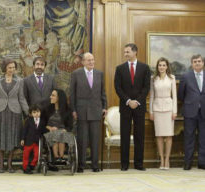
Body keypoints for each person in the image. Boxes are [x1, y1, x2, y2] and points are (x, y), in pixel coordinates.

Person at [114, 43, 150, 171]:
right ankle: (124, 164)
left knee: (139, 136)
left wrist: (137, 101)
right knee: (125, 135)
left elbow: (146, 88)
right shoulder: (120, 68)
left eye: (127, 52)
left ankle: (139, 164)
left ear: (135, 52)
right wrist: (129, 101)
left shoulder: (145, 68)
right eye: (125, 52)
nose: (125, 54)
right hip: (125, 106)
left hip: (139, 107)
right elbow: (117, 88)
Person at [70, 52, 107, 173]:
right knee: (82, 139)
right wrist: (73, 109)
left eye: (92, 60)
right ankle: (81, 165)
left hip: (96, 110)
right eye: (89, 60)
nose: (91, 62)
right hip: (81, 111)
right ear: (83, 62)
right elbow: (72, 94)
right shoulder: (76, 74)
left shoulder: (99, 74)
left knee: (95, 139)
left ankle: (95, 165)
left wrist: (104, 107)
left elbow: (103, 93)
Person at [0, 58, 29, 173]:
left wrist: (28, 112)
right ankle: (1, 165)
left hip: (15, 112)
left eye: (13, 67)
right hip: (0, 112)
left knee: (13, 137)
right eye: (10, 67)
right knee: (1, 137)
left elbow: (21, 98)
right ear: (5, 68)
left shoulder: (20, 80)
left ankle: (10, 165)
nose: (12, 70)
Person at [149, 57, 177, 170]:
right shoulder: (153, 78)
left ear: (167, 66)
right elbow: (151, 96)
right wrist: (151, 111)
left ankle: (167, 160)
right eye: (160, 65)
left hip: (169, 109)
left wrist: (174, 111)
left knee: (169, 135)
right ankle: (161, 159)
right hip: (157, 109)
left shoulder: (172, 78)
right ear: (157, 67)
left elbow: (174, 96)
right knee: (159, 135)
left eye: (163, 65)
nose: (161, 67)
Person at [178, 54, 205, 170]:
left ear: (203, 63)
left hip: (204, 111)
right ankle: (187, 163)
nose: (197, 63)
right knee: (189, 138)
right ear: (192, 64)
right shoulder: (186, 76)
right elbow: (181, 94)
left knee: (203, 138)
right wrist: (190, 102)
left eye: (199, 61)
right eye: (195, 61)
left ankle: (202, 162)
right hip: (190, 112)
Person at [44, 89, 74, 164]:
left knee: (61, 134)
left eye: (53, 95)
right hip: (50, 132)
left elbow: (70, 125)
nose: (50, 97)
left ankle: (61, 157)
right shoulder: (47, 109)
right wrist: (50, 128)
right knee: (55, 134)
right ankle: (56, 157)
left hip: (63, 132)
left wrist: (65, 129)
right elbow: (42, 124)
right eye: (51, 95)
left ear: (59, 98)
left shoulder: (67, 110)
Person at [21, 104, 46, 174]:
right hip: (28, 141)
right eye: (34, 112)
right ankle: (25, 168)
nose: (36, 114)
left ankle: (32, 165)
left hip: (37, 142)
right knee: (26, 155)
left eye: (38, 112)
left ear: (40, 112)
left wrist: (50, 130)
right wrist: (22, 139)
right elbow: (24, 130)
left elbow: (44, 130)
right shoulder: (28, 121)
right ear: (31, 114)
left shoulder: (42, 121)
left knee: (37, 155)